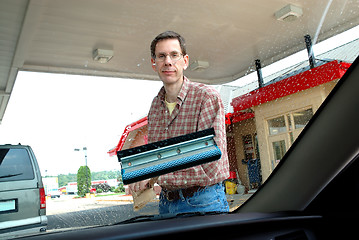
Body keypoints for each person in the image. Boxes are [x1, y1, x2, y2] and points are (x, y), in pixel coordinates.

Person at [129, 31, 230, 214]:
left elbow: (210, 157)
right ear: (154, 64)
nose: (168, 61)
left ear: (185, 61)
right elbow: (156, 153)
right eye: (161, 56)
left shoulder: (206, 97)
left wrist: (156, 170)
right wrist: (142, 175)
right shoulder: (155, 106)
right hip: (166, 204)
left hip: (203, 202)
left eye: (174, 55)